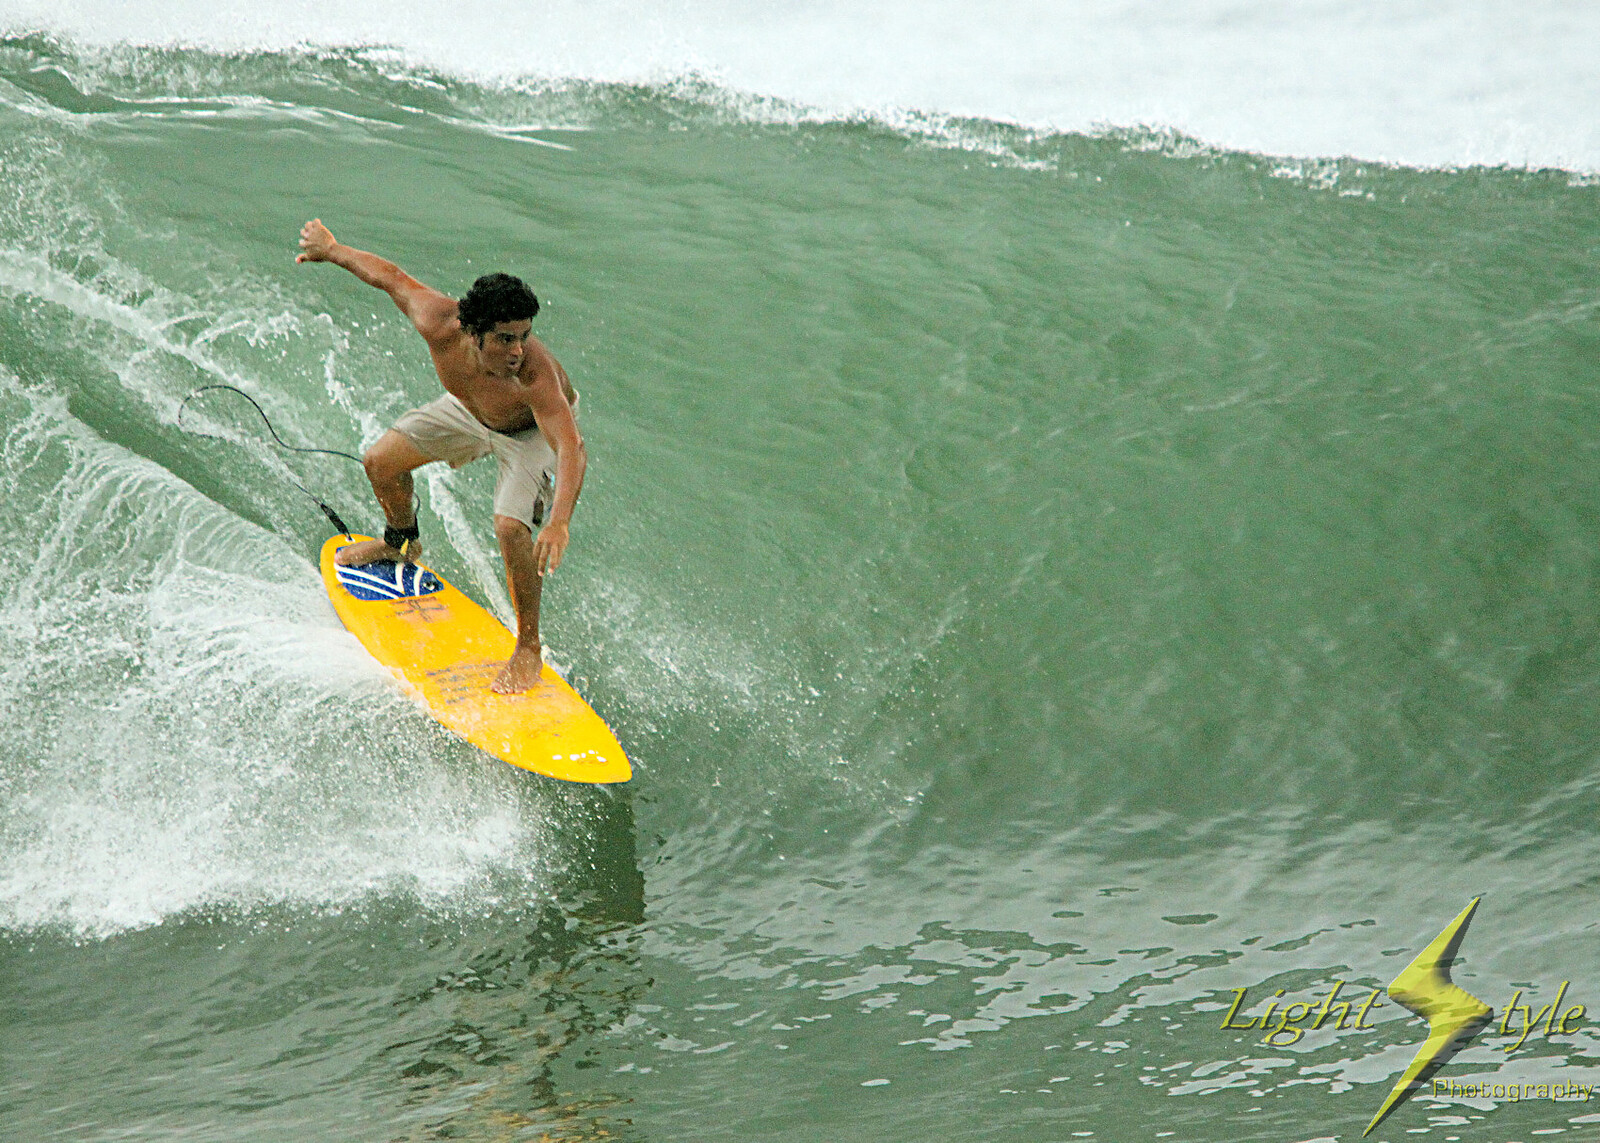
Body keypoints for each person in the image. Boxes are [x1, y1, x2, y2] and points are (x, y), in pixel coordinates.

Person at [295, 218, 585, 694]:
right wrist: (331, 249)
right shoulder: (437, 321)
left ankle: (528, 647)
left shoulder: (535, 373)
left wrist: (558, 521)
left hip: (531, 432)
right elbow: (390, 277)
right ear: (473, 333)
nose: (517, 350)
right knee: (380, 462)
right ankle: (400, 542)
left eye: (524, 335)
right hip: (468, 410)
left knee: (511, 527)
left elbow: (570, 447)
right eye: (505, 339)